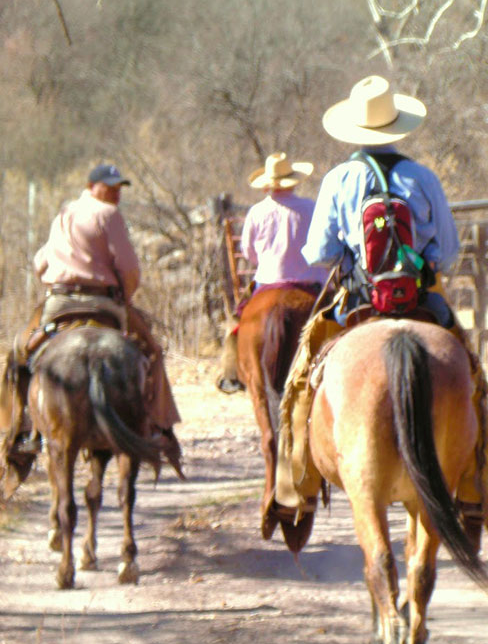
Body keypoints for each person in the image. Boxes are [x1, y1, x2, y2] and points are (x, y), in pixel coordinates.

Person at [272, 75, 488, 547]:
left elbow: (319, 251)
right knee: (474, 382)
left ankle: (295, 488)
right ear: (397, 128)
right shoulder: (422, 178)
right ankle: (481, 492)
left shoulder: (340, 179)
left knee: (299, 382)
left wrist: (352, 253)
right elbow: (446, 253)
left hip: (359, 299)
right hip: (423, 300)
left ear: (355, 131)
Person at [5, 164, 182, 465]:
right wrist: (125, 295)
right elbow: (128, 267)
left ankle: (21, 429)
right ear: (92, 186)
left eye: (119, 188)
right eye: (111, 187)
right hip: (104, 301)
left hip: (59, 302)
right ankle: (158, 426)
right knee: (152, 350)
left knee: (20, 353)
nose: (117, 193)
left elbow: (40, 262)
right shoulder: (109, 214)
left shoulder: (63, 213)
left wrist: (60, 278)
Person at [216, 152, 328, 392]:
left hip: (268, 282)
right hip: (311, 284)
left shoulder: (257, 212)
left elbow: (248, 252)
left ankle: (231, 373)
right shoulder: (311, 208)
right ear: (294, 180)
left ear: (267, 184)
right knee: (337, 318)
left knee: (235, 324)